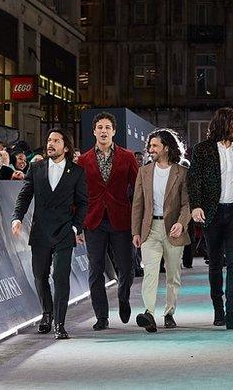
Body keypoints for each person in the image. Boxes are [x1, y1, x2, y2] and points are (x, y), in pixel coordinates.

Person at [188, 107, 233, 330]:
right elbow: (194, 181)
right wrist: (195, 206)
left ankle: (232, 312)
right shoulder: (202, 150)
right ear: (224, 124)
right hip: (213, 212)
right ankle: (218, 310)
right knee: (216, 263)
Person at [12, 129, 87, 339]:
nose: (50, 144)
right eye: (48, 140)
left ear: (66, 146)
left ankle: (60, 324)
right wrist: (17, 217)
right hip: (41, 231)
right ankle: (47, 313)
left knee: (60, 277)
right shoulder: (35, 168)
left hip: (64, 232)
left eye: (55, 140)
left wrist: (75, 228)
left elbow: (82, 203)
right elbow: (25, 195)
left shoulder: (77, 172)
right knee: (40, 275)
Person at [77, 112, 139, 330]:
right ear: (94, 131)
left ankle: (123, 296)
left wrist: (138, 220)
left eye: (107, 127)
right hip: (93, 221)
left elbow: (138, 190)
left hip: (121, 219)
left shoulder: (128, 157)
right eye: (100, 127)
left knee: (127, 266)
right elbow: (78, 195)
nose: (103, 131)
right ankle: (101, 316)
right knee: (95, 270)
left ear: (114, 131)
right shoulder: (83, 160)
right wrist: (78, 225)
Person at [132, 129, 191, 333]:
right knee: (150, 272)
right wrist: (135, 232)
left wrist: (181, 223)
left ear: (166, 147)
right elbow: (137, 204)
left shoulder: (181, 172)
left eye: (155, 146)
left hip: (174, 230)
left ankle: (169, 313)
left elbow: (186, 204)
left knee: (173, 275)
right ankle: (148, 313)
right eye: (150, 146)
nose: (151, 150)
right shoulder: (144, 171)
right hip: (150, 229)